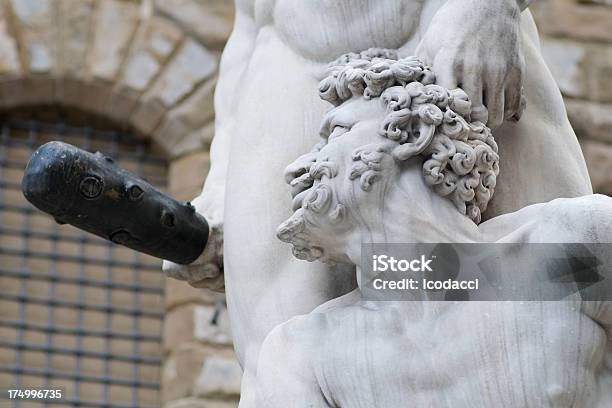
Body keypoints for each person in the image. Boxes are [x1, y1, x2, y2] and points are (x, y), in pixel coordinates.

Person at [163, 1, 592, 404]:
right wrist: (220, 175)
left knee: (557, 300)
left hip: (458, 36)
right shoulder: (296, 350)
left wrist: (491, 6)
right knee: (285, 364)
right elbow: (248, 23)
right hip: (290, 73)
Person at [258, 54, 611, 406]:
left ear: (414, 133)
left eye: (337, 132)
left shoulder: (569, 247)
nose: (298, 168)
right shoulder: (302, 355)